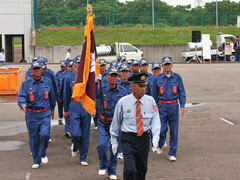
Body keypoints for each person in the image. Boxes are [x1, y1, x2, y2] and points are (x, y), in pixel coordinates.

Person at [110, 73, 161, 180]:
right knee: (130, 170)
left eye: (144, 86)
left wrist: (155, 137)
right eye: (140, 86)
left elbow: (155, 120)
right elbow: (116, 122)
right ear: (132, 86)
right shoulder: (123, 102)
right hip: (128, 139)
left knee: (142, 170)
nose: (143, 89)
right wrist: (114, 140)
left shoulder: (150, 101)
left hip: (144, 139)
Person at [17, 60, 56, 169]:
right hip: (31, 114)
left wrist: (52, 109)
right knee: (33, 138)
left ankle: (42, 152)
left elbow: (52, 96)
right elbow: (21, 96)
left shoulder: (47, 81)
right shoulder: (26, 84)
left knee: (45, 134)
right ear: (31, 71)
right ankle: (36, 160)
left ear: (42, 70)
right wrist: (22, 104)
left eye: (39, 69)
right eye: (35, 69)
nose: (37, 71)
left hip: (44, 113)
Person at [96, 67, 127, 180]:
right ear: (107, 76)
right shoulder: (101, 89)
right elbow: (90, 94)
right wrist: (94, 81)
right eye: (111, 75)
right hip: (103, 122)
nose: (113, 78)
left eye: (115, 76)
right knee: (103, 146)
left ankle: (112, 170)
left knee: (114, 147)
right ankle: (103, 164)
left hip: (116, 123)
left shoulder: (123, 91)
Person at [152, 56, 186, 162]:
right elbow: (154, 95)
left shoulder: (177, 77)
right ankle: (162, 141)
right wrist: (154, 108)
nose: (167, 67)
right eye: (165, 65)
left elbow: (181, 92)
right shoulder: (157, 79)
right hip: (161, 106)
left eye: (169, 64)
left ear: (172, 65)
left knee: (174, 130)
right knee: (161, 129)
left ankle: (172, 153)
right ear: (162, 66)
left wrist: (182, 105)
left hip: (173, 106)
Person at [94, 59, 108, 130]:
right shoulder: (96, 75)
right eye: (101, 66)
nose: (102, 67)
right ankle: (96, 123)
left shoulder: (108, 75)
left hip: (105, 94)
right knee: (97, 109)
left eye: (103, 66)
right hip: (97, 95)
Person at [55, 60, 67, 125]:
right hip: (60, 92)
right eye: (62, 66)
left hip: (66, 92)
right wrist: (58, 93)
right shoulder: (58, 74)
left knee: (66, 106)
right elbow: (56, 83)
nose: (62, 67)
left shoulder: (68, 73)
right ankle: (60, 118)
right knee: (60, 106)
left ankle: (67, 118)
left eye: (64, 66)